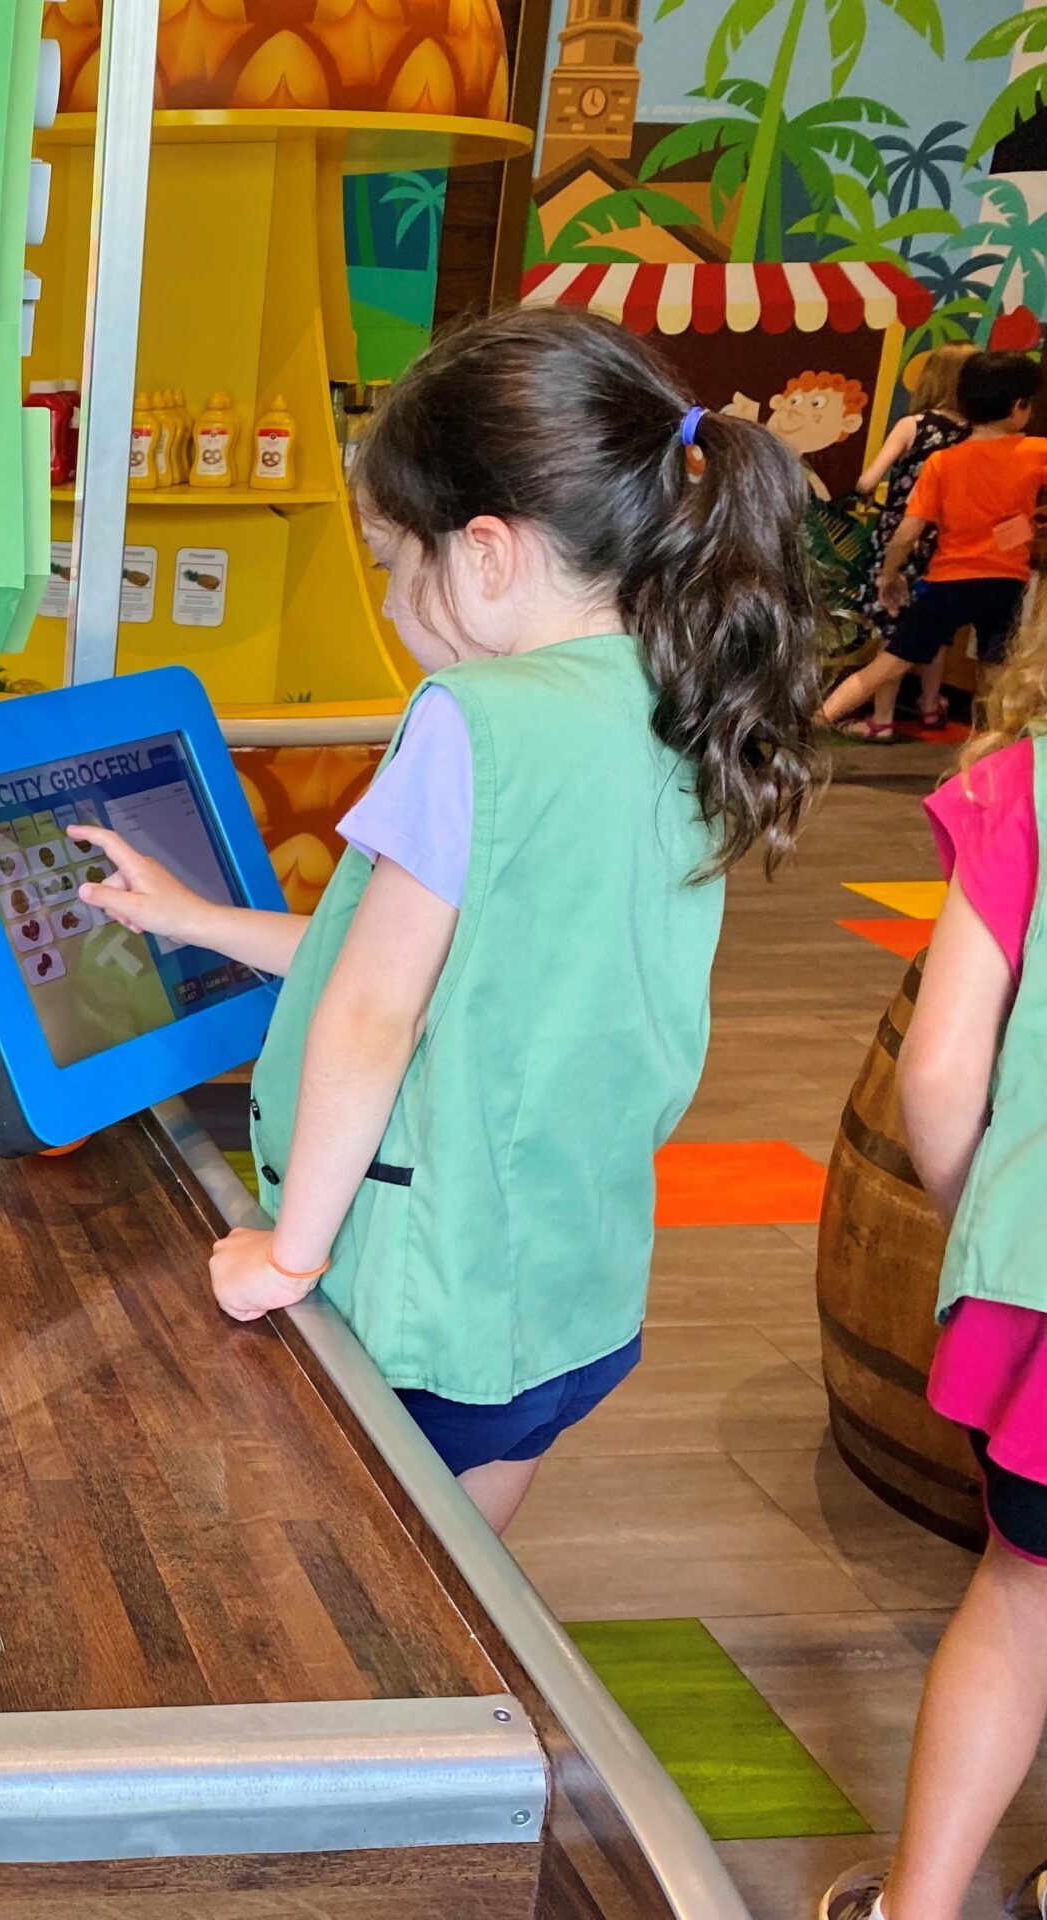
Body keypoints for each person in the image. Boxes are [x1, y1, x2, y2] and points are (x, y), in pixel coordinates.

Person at [69, 308, 823, 1532]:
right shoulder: (681, 698)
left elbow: (372, 1015)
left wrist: (288, 1254)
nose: (384, 599)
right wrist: (200, 919)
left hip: (422, 1297)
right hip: (567, 1297)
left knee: (349, 1575)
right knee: (465, 1575)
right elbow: (442, 970)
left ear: (484, 552)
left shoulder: (471, 718)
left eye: (386, 559)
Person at [818, 610, 1047, 1920]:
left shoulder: (1024, 791)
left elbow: (942, 1076)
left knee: (1020, 1606)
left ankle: (916, 1910)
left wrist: (992, 1224)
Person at [821, 351, 1046, 739]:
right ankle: (995, 749)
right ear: (1018, 408)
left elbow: (907, 532)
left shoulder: (943, 463)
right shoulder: (1036, 452)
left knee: (887, 664)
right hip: (1005, 583)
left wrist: (888, 575)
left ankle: (814, 722)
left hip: (948, 582)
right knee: (997, 674)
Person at [852, 345, 975, 732]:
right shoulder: (975, 434)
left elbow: (868, 481)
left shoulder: (913, 426)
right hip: (948, 540)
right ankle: (930, 706)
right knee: (933, 628)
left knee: (894, 626)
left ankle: (882, 718)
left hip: (903, 534)